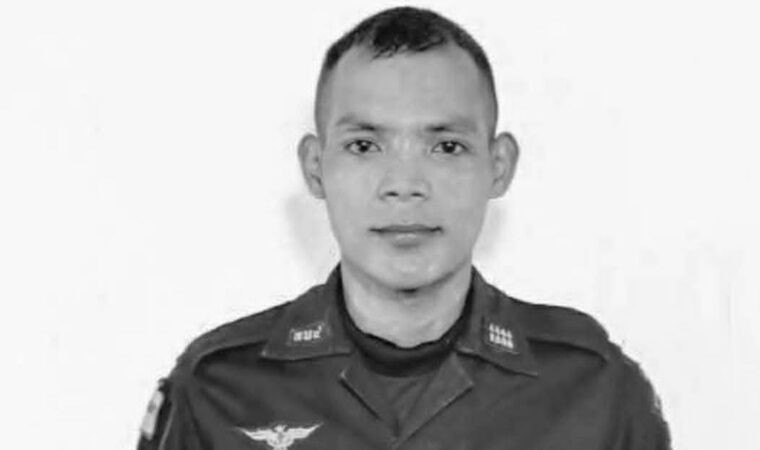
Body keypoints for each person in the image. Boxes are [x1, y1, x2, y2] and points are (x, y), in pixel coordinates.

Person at [137, 6, 671, 449]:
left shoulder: (594, 391)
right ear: (316, 168)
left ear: (499, 166)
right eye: (365, 146)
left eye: (446, 147)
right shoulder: (218, 392)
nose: (404, 185)